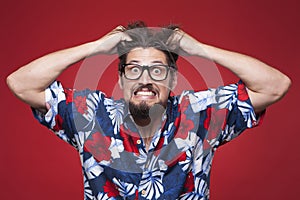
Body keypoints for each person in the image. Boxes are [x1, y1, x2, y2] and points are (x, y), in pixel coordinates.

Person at [6, 21, 291, 200]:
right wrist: (96, 47)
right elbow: (20, 83)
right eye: (133, 70)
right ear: (120, 80)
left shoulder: (201, 114)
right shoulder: (90, 115)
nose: (145, 80)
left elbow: (275, 86)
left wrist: (199, 49)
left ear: (173, 79)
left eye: (157, 70)